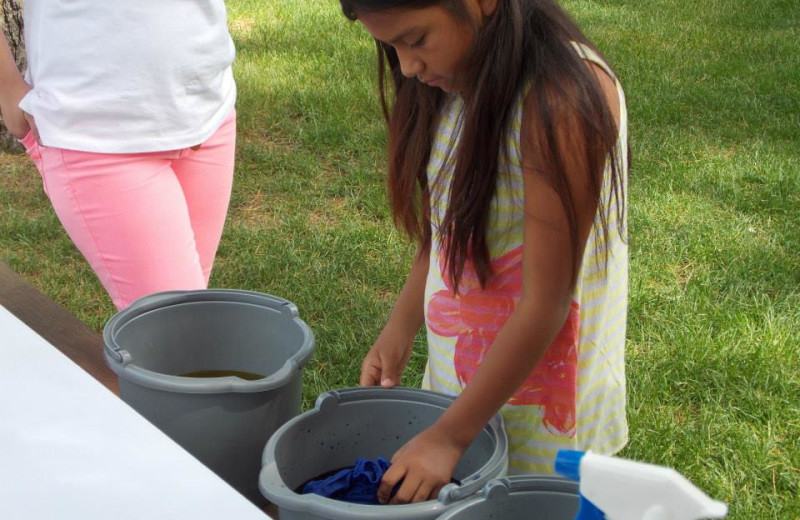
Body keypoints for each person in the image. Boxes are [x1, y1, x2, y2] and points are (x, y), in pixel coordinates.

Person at [340, 0, 629, 505]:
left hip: (548, 418)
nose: (406, 67)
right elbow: (448, 232)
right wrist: (400, 325)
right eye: (389, 48)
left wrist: (450, 436)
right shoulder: (451, 83)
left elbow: (547, 302)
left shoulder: (560, 101)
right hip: (463, 395)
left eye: (414, 40)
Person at [0, 1, 237, 310]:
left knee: (179, 321)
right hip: (95, 134)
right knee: (179, 329)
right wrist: (7, 86)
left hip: (208, 108)